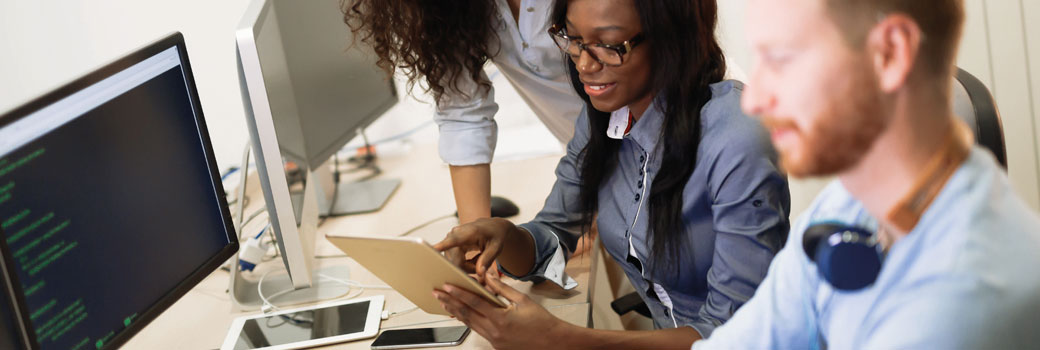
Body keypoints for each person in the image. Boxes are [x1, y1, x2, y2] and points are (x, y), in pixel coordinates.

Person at [431, 0, 790, 348]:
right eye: (574, 40)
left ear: (669, 37)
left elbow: (736, 336)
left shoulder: (737, 139)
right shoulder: (604, 120)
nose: (585, 65)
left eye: (608, 45)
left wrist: (561, 339)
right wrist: (504, 236)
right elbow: (552, 236)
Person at [693, 0, 1040, 348]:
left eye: (782, 60)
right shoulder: (850, 204)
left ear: (889, 54)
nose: (754, 102)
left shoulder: (957, 311)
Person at [344, 0, 585, 225]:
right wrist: (475, 239)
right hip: (589, 167)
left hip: (613, 157)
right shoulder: (456, 6)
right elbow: (463, 113)